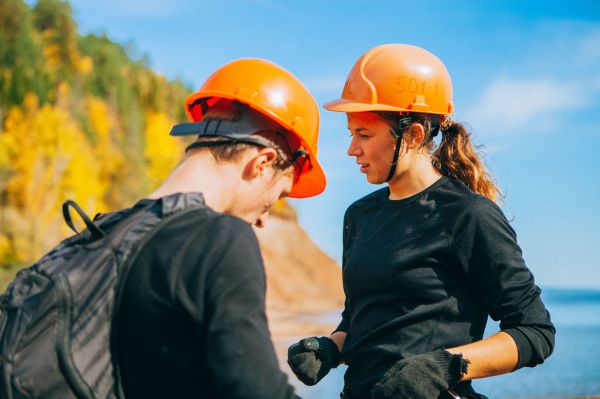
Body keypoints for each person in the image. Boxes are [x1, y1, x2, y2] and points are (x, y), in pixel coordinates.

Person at [287, 44, 555, 399]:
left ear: (412, 135)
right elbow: (361, 321)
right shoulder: (359, 216)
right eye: (351, 133)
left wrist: (445, 366)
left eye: (364, 134)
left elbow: (534, 331)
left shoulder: (468, 215)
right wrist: (330, 348)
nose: (352, 149)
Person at [115, 59, 326, 398]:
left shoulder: (108, 230)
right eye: (276, 198)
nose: (261, 220)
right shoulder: (219, 240)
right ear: (262, 164)